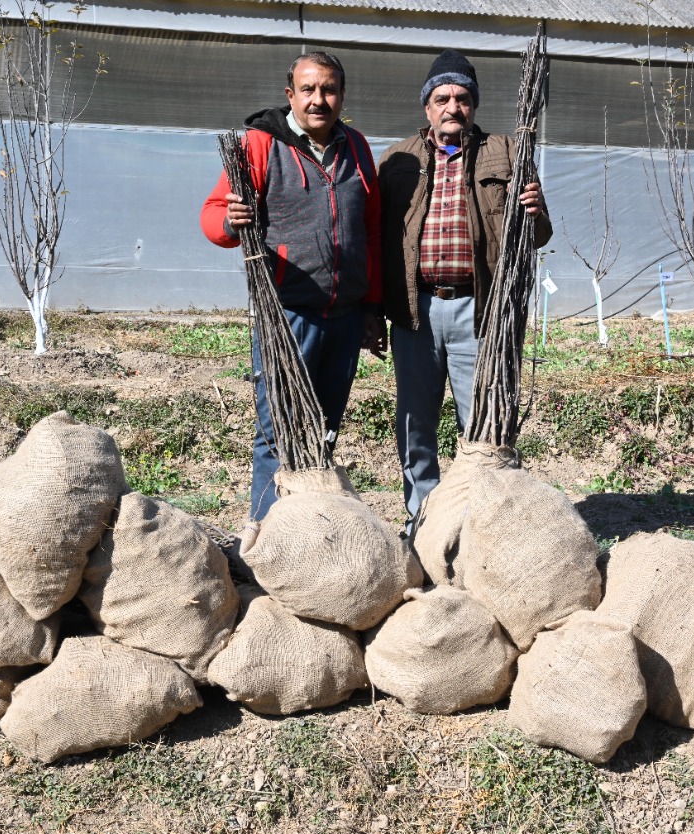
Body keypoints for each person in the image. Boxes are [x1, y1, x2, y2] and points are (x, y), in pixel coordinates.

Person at [201, 51, 382, 524]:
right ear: (290, 95)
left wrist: (371, 305)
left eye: (329, 89)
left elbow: (372, 229)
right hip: (288, 315)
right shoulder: (261, 146)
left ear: (341, 94)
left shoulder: (357, 147)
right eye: (309, 89)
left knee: (324, 430)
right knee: (277, 432)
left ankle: (310, 529)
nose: (319, 100)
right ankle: (265, 536)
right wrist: (229, 221)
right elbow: (213, 216)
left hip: (344, 315)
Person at [376, 49, 551, 529]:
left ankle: (479, 523)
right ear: (427, 107)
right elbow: (379, 238)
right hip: (417, 312)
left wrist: (534, 212)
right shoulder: (396, 160)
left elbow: (539, 236)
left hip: (482, 312)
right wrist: (374, 307)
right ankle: (424, 520)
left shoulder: (508, 152)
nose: (452, 106)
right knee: (415, 423)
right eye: (442, 97)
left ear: (473, 104)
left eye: (462, 97)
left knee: (482, 425)